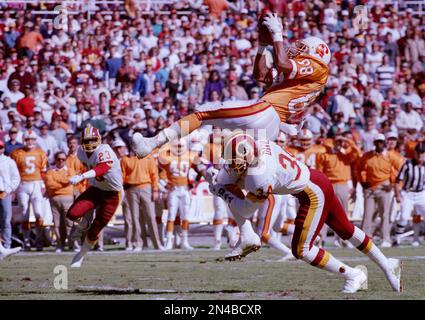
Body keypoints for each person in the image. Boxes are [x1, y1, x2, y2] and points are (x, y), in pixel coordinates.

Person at [209, 130, 401, 293]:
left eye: (237, 160)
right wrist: (221, 183)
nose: (233, 165)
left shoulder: (258, 177)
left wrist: (222, 192)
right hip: (316, 179)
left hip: (312, 193)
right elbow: (231, 174)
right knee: (345, 229)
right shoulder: (259, 145)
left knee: (302, 250)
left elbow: (245, 210)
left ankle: (354, 275)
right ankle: (387, 264)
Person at [132, 14, 330, 158]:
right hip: (272, 124)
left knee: (202, 113)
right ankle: (243, 204)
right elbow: (260, 75)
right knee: (243, 169)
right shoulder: (297, 79)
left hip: (265, 111)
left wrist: (278, 34)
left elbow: (284, 64)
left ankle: (153, 143)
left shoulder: (318, 67)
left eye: (302, 48)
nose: (296, 48)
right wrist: (262, 46)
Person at [66, 125, 123, 268]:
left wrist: (81, 177)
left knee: (95, 230)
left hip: (112, 194)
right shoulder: (81, 152)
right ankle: (83, 223)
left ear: (99, 139)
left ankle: (80, 255)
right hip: (96, 189)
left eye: (93, 140)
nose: (90, 143)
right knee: (72, 213)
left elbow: (101, 169)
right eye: (87, 140)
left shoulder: (105, 150)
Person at [356, 134, 404, 247]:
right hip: (370, 187)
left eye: (381, 142)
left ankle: (385, 238)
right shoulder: (367, 156)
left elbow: (400, 170)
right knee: (368, 214)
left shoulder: (390, 156)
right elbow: (359, 169)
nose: (379, 144)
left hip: (384, 186)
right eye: (377, 142)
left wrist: (392, 184)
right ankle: (365, 239)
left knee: (384, 214)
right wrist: (362, 182)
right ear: (374, 143)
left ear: (385, 143)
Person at [120, 141, 163, 251]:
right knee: (135, 218)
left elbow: (154, 175)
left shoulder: (149, 158)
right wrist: (123, 192)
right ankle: (137, 243)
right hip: (131, 189)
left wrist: (155, 190)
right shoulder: (125, 159)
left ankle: (157, 243)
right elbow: (122, 177)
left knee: (150, 217)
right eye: (134, 145)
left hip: (146, 188)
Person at [10, 130, 48, 251]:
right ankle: (26, 242)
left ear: (35, 140)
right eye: (28, 139)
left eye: (32, 139)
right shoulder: (16, 153)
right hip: (22, 184)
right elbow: (13, 172)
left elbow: (44, 172)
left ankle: (38, 240)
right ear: (24, 140)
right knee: (25, 214)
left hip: (36, 184)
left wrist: (44, 186)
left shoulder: (41, 153)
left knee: (38, 213)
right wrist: (14, 189)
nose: (30, 142)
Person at [394, 142, 425, 246]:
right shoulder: (408, 164)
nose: (421, 155)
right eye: (419, 153)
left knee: (419, 215)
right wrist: (398, 195)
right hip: (407, 193)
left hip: (421, 193)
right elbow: (398, 181)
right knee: (404, 216)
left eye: (423, 153)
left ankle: (416, 239)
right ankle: (397, 239)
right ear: (415, 153)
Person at [44, 151, 75, 252]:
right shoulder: (50, 171)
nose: (61, 161)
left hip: (68, 198)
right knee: (57, 223)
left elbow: (70, 180)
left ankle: (72, 243)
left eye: (63, 159)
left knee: (69, 222)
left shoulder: (70, 170)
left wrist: (57, 182)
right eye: (59, 159)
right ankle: (59, 244)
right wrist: (63, 183)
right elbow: (50, 184)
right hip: (55, 199)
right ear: (55, 160)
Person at [0, 139, 21, 250]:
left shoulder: (9, 161)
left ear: (3, 149)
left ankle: (6, 245)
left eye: (1, 147)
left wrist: (7, 191)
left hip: (4, 192)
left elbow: (16, 178)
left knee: (5, 220)